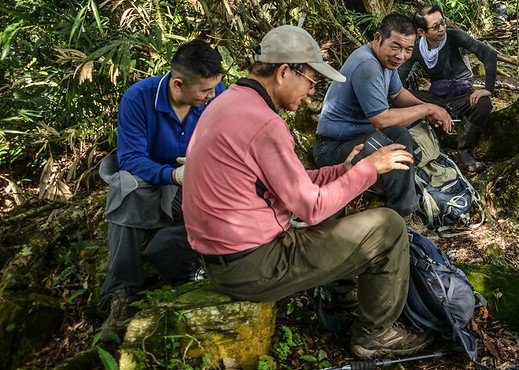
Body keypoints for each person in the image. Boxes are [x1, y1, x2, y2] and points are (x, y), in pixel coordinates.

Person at [182, 25, 434, 359]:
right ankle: (376, 334)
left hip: (223, 258)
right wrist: (370, 168)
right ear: (284, 72)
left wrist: (340, 172)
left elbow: (289, 183)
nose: (312, 93)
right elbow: (310, 208)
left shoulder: (231, 102)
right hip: (252, 266)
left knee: (341, 199)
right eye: (311, 82)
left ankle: (347, 295)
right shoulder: (264, 123)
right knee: (388, 227)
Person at [98, 39, 225, 342]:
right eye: (205, 91)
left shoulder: (215, 95)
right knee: (125, 192)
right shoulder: (138, 98)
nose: (212, 96)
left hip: (195, 175)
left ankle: (204, 267)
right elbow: (130, 158)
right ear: (178, 84)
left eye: (214, 89)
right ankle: (123, 289)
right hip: (150, 176)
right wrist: (171, 174)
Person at [313, 13, 452, 217]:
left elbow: (397, 94)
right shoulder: (367, 65)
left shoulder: (385, 62)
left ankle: (400, 193)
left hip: (358, 138)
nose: (401, 56)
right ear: (378, 38)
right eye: (395, 46)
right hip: (331, 149)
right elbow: (380, 119)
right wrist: (427, 109)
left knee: (401, 135)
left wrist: (429, 108)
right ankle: (402, 213)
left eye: (408, 50)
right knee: (398, 141)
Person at [398, 5, 497, 172]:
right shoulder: (417, 50)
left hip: (463, 97)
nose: (442, 28)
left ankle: (464, 150)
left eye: (442, 22)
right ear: (422, 32)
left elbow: (489, 53)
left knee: (483, 104)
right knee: (401, 98)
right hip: (436, 99)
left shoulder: (455, 37)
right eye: (435, 26)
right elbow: (399, 81)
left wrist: (488, 88)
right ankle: (423, 144)